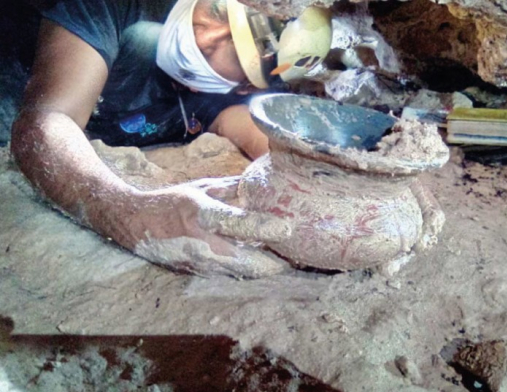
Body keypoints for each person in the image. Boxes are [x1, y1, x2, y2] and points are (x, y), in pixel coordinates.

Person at [10, 0, 330, 277]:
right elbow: (47, 120)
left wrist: (326, 211)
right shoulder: (119, 9)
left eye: (236, 51)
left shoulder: (225, 96)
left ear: (249, 86)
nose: (205, 36)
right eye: (218, 11)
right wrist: (132, 211)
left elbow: (277, 149)